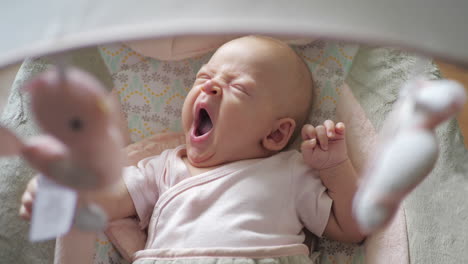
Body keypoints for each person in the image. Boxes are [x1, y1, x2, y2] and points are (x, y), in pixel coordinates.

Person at [20, 36, 365, 263]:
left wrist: (335, 167)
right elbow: (111, 197)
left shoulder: (289, 170)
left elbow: (352, 228)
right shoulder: (164, 167)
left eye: (239, 88)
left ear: (276, 134)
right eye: (204, 77)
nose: (211, 87)